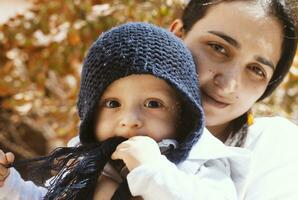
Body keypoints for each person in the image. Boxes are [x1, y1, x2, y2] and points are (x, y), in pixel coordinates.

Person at [0, 22, 249, 200]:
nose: (129, 121)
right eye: (112, 104)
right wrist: (8, 185)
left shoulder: (200, 166)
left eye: (153, 104)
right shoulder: (83, 165)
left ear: (183, 116)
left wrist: (152, 171)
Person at [166, 0, 298, 199]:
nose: (229, 84)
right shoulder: (113, 119)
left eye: (256, 70)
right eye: (218, 48)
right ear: (177, 34)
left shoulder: (274, 149)